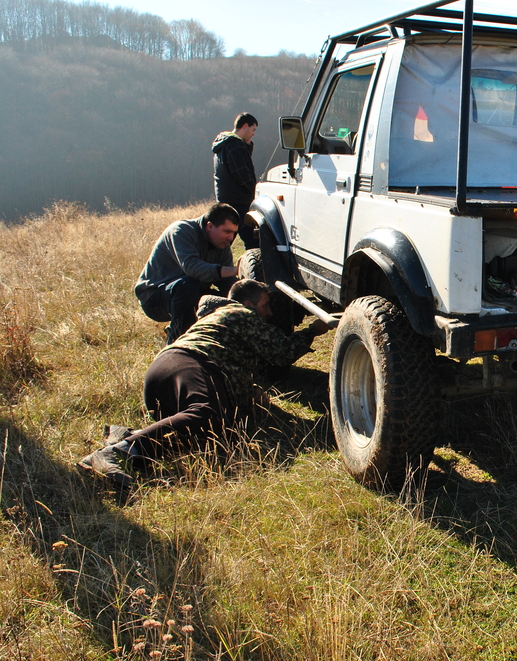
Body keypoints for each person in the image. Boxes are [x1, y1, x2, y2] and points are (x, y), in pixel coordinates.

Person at [79, 279, 330, 489]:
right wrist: (312, 331)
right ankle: (114, 454)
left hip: (165, 371)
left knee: (208, 435)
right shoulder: (240, 313)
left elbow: (232, 362)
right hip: (191, 364)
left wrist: (247, 393)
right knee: (206, 413)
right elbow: (281, 352)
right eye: (265, 306)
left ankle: (126, 437)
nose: (269, 313)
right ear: (248, 304)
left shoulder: (218, 321)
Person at [135, 202, 240, 343]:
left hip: (190, 293)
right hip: (155, 298)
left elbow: (227, 281)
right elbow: (193, 269)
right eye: (227, 231)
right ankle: (178, 344)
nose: (231, 238)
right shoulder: (181, 231)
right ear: (209, 226)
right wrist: (237, 269)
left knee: (228, 300)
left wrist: (241, 296)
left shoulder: (221, 244)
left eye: (234, 233)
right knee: (188, 285)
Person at [212, 112, 259, 249]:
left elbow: (240, 163)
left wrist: (247, 146)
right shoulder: (235, 145)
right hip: (240, 201)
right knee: (253, 242)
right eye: (253, 129)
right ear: (245, 126)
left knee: (223, 241)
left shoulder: (224, 143)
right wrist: (255, 191)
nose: (253, 133)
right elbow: (242, 174)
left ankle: (213, 267)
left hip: (226, 199)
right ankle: (253, 267)